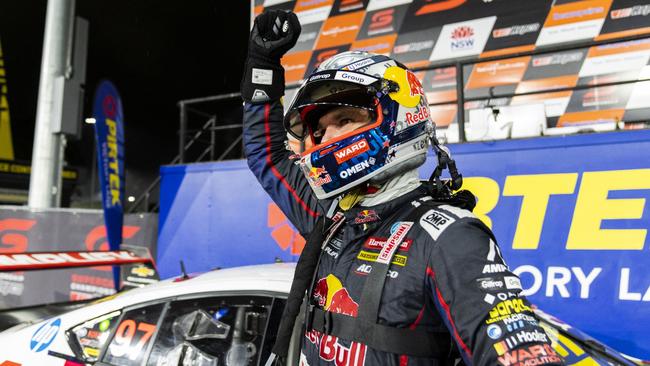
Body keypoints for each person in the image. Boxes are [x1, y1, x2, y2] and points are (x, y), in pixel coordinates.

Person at [241, 9, 565, 366]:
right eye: (319, 131)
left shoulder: (450, 236)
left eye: (344, 120)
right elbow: (267, 156)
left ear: (398, 115)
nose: (326, 138)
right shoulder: (330, 217)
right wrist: (263, 63)